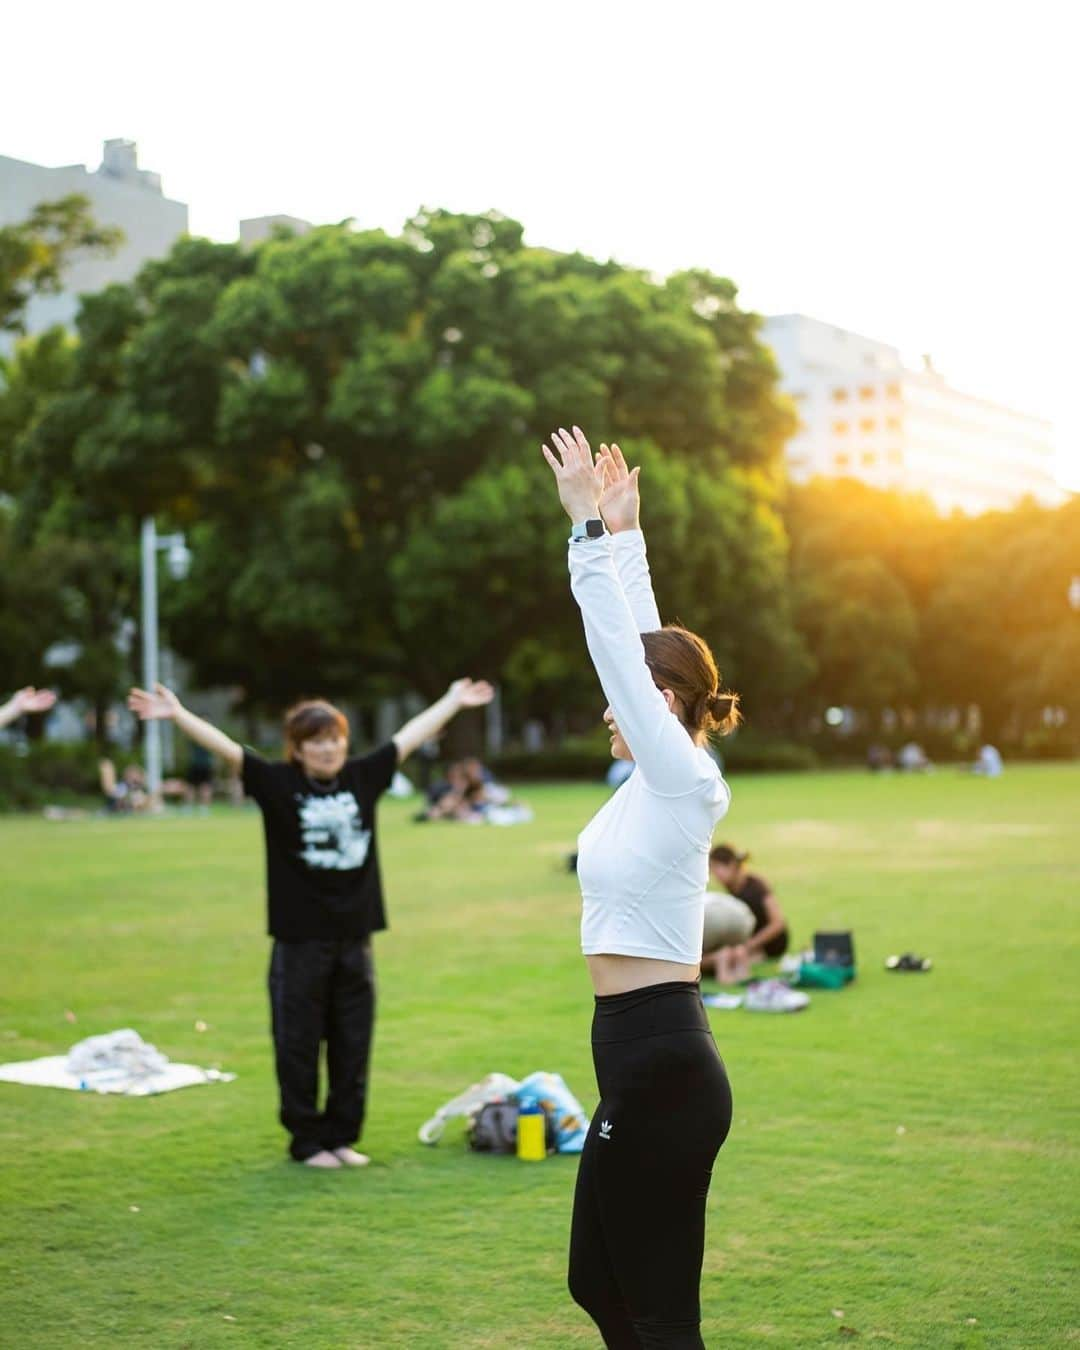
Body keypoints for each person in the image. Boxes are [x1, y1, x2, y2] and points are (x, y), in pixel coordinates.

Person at [127, 677, 493, 1169]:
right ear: (298, 748)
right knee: (298, 1044)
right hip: (300, 942)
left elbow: (407, 736)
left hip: (355, 939)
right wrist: (178, 716)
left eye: (335, 738)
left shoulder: (362, 777)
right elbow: (232, 752)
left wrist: (452, 700)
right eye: (317, 741)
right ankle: (306, 1141)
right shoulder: (279, 784)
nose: (329, 748)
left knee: (351, 1042)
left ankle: (341, 1136)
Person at [542, 427, 736, 1349]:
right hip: (631, 1052)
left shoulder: (682, 779)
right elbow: (646, 648)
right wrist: (625, 537)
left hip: (664, 1062)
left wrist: (584, 528)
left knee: (655, 1312)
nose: (604, 707)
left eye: (623, 698)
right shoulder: (660, 775)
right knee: (599, 1283)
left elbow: (628, 656)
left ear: (659, 706)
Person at [701, 845, 790, 984]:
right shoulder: (731, 889)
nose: (714, 874)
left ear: (731, 865)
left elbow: (777, 923)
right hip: (746, 940)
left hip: (769, 944)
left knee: (725, 957)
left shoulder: (757, 885)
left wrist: (749, 946)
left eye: (716, 867)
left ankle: (724, 963)